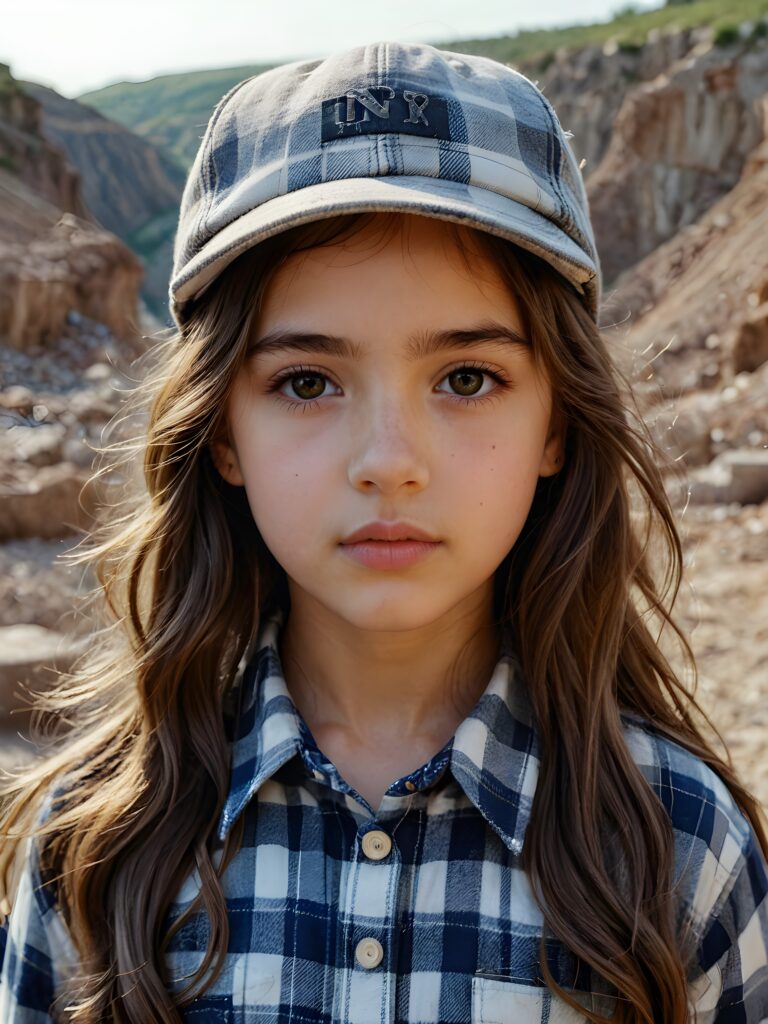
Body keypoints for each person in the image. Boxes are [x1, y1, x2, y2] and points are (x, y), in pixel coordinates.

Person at [0, 39, 766, 1024]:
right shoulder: (99, 845)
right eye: (307, 382)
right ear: (223, 431)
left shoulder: (680, 850)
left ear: (558, 424)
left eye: (466, 378)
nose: (390, 459)